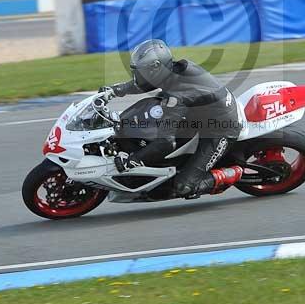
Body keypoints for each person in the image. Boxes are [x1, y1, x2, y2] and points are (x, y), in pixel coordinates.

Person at [99, 39, 244, 197]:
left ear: (156, 69)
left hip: (221, 128)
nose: (137, 76)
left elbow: (166, 143)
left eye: (141, 72)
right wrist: (114, 90)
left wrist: (134, 160)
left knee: (184, 187)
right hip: (200, 114)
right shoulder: (173, 70)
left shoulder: (176, 99)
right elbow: (144, 84)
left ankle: (233, 172)